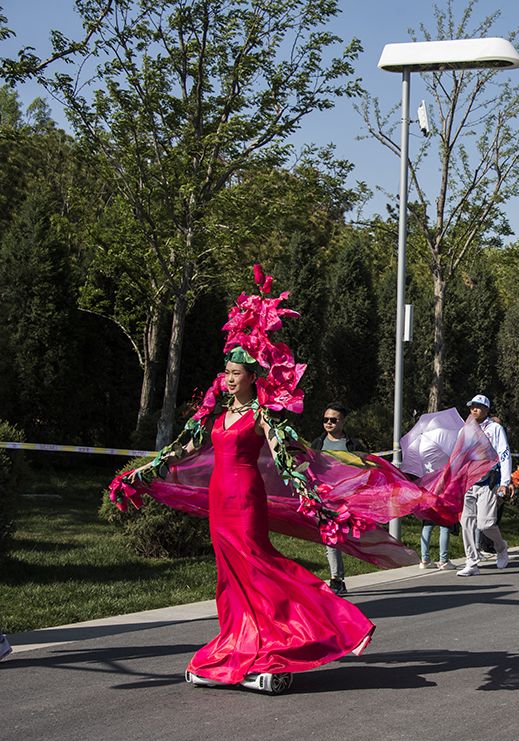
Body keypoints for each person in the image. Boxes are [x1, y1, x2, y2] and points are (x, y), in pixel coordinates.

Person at [108, 266, 497, 692]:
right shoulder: (215, 418)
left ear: (252, 378)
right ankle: (236, 644)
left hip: (245, 502)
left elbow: (289, 463)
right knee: (230, 575)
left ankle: (330, 624)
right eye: (226, 373)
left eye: (235, 373)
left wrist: (318, 503)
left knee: (259, 566)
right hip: (219, 505)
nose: (228, 378)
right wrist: (138, 476)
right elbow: (179, 452)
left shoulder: (261, 418)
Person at [310, 402, 365, 593]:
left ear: (342, 421)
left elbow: (364, 468)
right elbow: (310, 465)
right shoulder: (318, 443)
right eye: (325, 419)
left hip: (349, 498)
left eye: (333, 420)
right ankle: (337, 579)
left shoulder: (353, 444)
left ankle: (340, 576)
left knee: (346, 538)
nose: (329, 423)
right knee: (330, 538)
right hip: (326, 498)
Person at [457, 394, 512, 577]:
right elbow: (459, 456)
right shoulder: (465, 430)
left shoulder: (495, 428)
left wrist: (505, 482)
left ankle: (501, 546)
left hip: (488, 482)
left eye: (479, 406)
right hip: (469, 482)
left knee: (485, 524)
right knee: (466, 522)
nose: (474, 409)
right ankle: (471, 562)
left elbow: (504, 454)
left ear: (487, 410)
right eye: (472, 406)